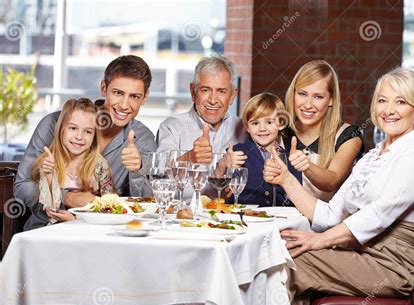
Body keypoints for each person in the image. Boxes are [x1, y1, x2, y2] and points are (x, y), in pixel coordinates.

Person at [263, 68, 414, 305]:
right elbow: (330, 215)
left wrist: (319, 241)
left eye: (400, 102)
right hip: (357, 252)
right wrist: (285, 180)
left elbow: (380, 213)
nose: (388, 110)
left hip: (392, 265)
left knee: (286, 263)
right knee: (276, 252)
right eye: (382, 100)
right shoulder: (371, 157)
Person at [14, 55, 157, 210]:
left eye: (134, 96)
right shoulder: (53, 123)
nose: (124, 105)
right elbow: (21, 188)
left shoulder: (143, 139)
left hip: (104, 230)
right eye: (118, 93)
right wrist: (66, 197)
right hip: (46, 227)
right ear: (104, 88)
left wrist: (138, 170)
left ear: (144, 98)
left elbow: (149, 204)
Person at [156, 54, 245, 199]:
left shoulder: (244, 129)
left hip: (229, 217)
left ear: (232, 96)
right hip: (182, 217)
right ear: (193, 91)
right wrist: (189, 157)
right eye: (205, 90)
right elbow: (159, 178)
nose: (213, 100)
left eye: (221, 91)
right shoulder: (172, 127)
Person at [24, 98, 115, 230]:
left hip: (85, 231)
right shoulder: (48, 161)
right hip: (44, 230)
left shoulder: (100, 165)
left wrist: (77, 220)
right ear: (61, 129)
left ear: (94, 135)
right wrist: (48, 175)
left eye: (88, 131)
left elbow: (111, 205)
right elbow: (49, 208)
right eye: (73, 128)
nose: (79, 136)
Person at [283, 60, 364, 202]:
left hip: (327, 224)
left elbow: (331, 182)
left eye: (318, 97)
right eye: (302, 94)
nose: (308, 105)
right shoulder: (280, 131)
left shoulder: (349, 136)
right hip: (282, 221)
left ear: (331, 100)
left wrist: (306, 165)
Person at [225, 92, 301, 207]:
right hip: (244, 217)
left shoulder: (291, 157)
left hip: (280, 218)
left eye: (269, 122)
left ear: (280, 123)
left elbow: (297, 196)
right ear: (247, 127)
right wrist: (226, 168)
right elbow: (223, 189)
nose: (262, 128)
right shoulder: (237, 152)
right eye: (255, 123)